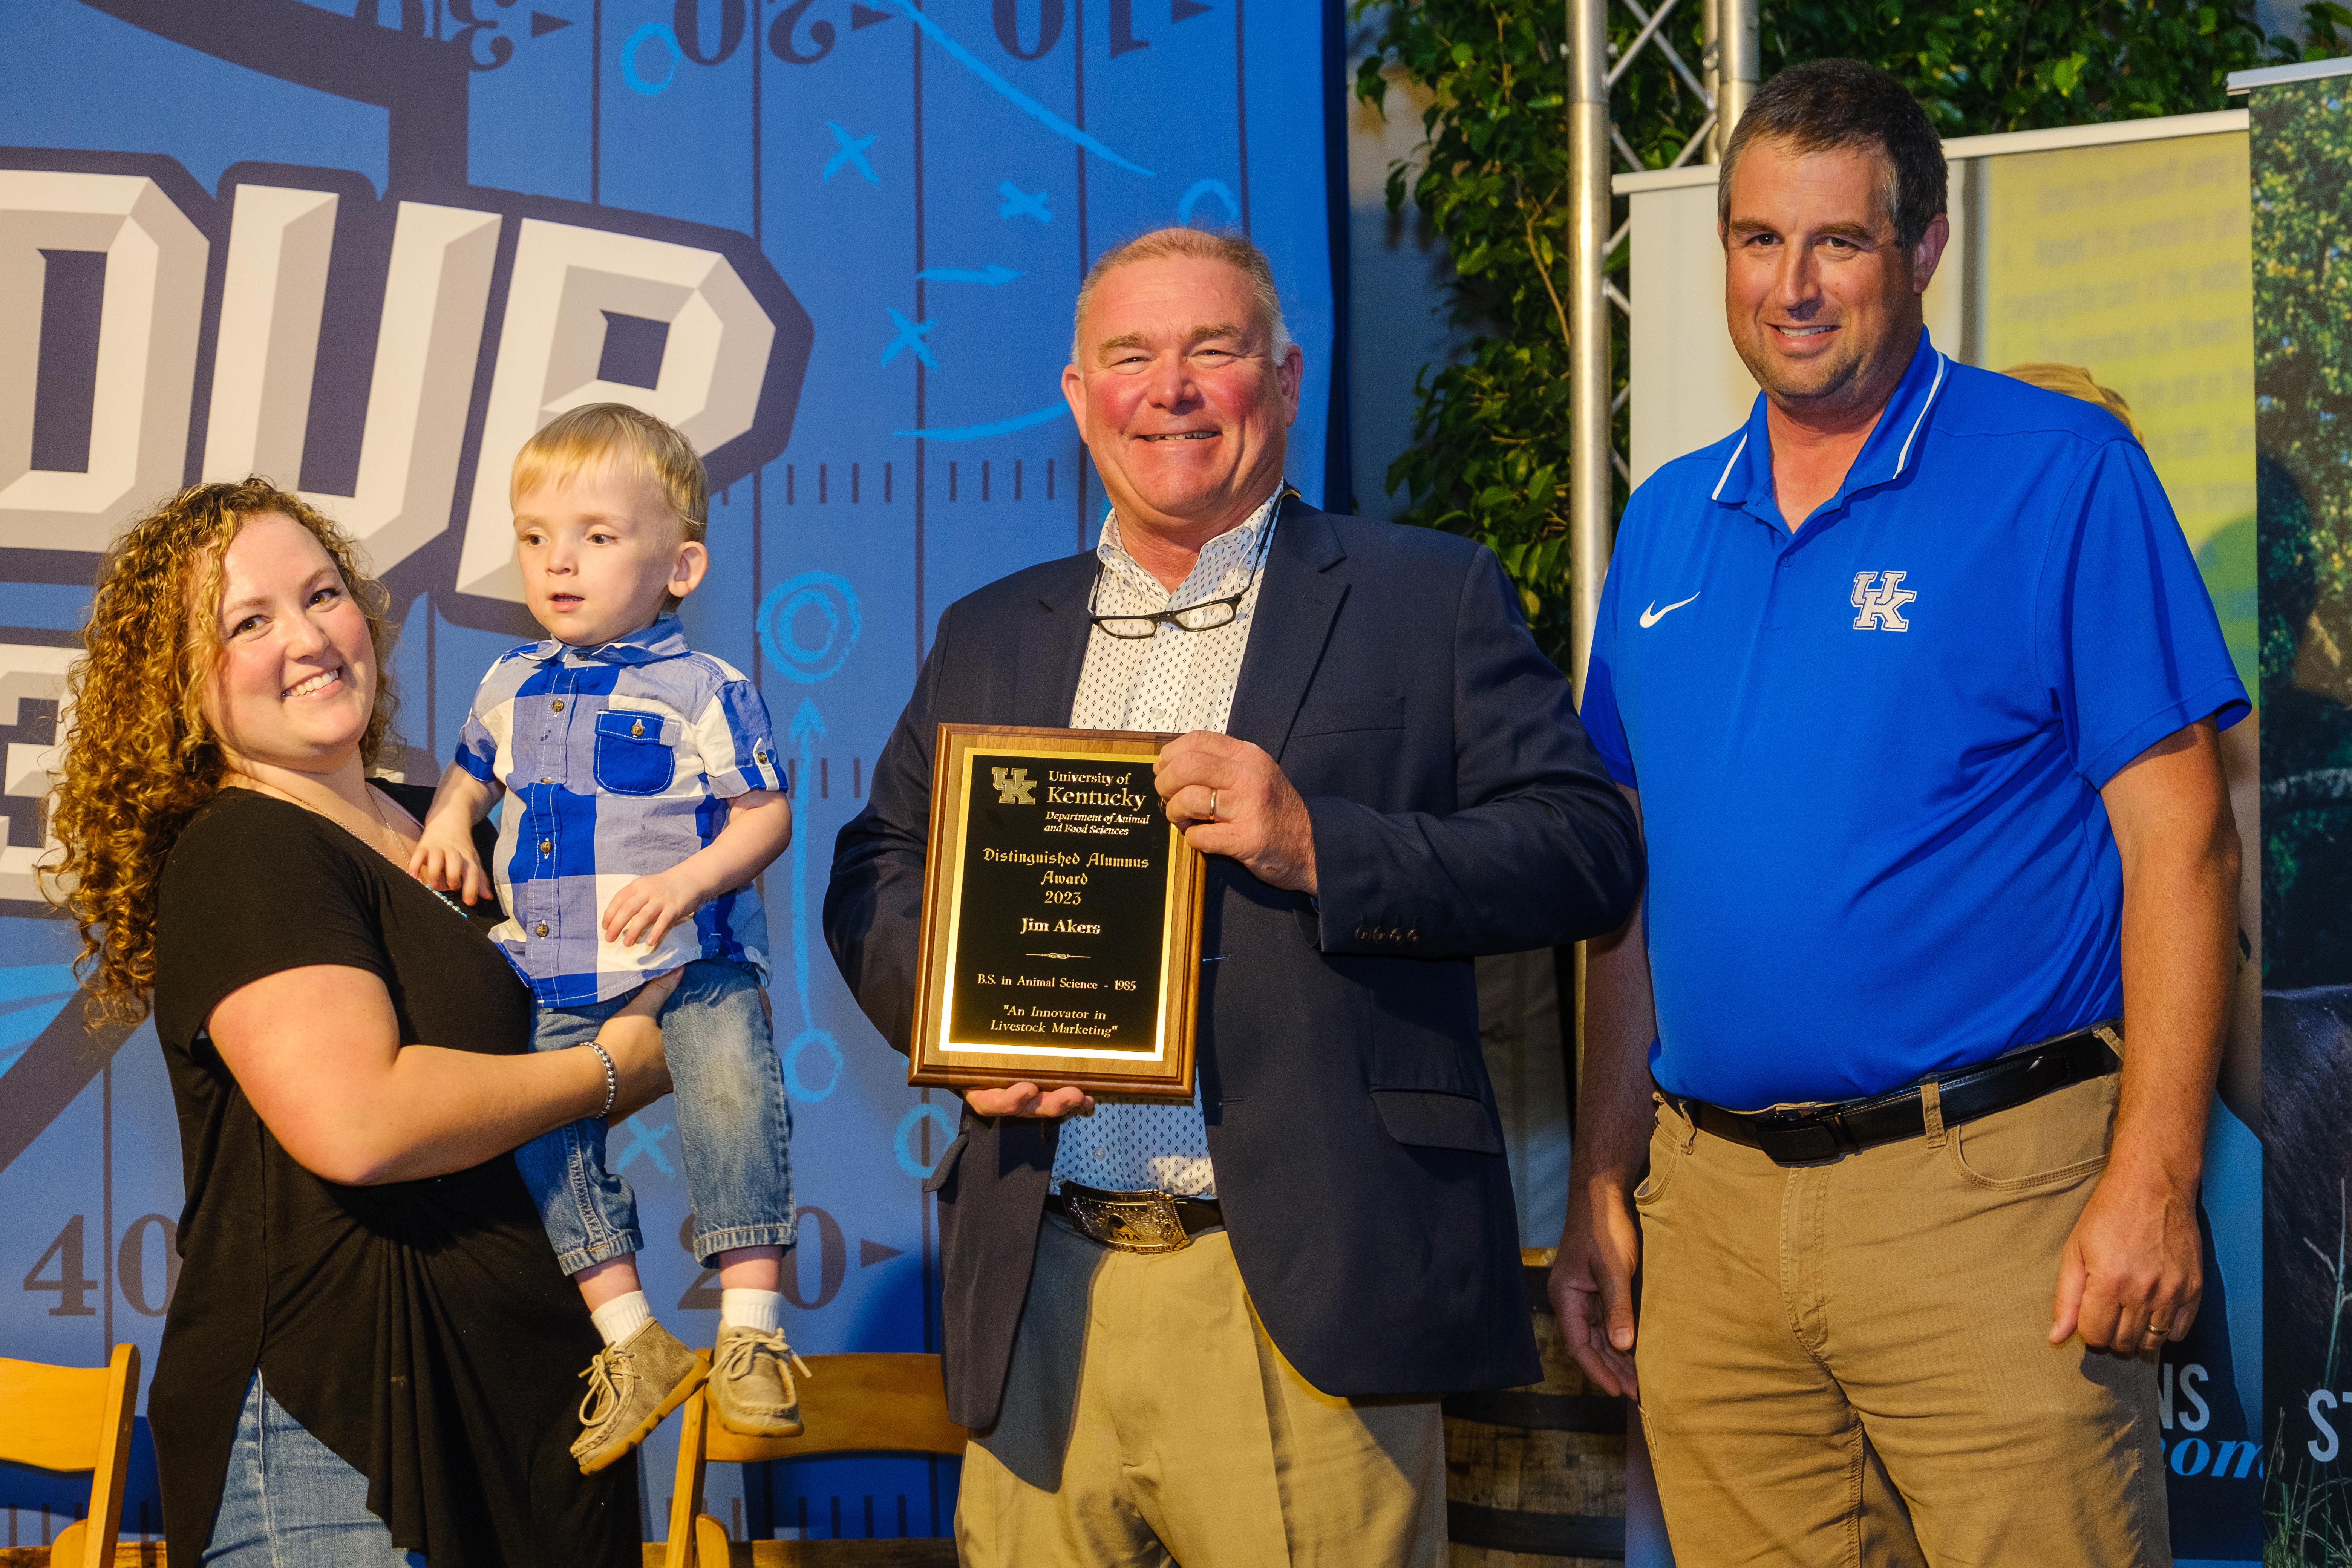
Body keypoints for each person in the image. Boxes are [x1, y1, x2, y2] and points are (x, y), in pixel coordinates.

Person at [824, 227, 1643, 1565]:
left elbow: (1583, 847)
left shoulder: (1423, 595)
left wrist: (1323, 843)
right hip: (1042, 1288)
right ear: (1078, 395)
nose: (1174, 389)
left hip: (1302, 1297)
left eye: (1214, 350)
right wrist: (963, 1020)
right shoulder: (991, 630)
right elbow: (876, 868)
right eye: (1130, 358)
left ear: (1285, 375)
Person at [1553, 59, 2246, 1566]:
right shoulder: (1667, 515)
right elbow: (1628, 883)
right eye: (1755, 240)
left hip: (1995, 1208)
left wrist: (2156, 1177)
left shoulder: (2061, 476)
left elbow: (2183, 841)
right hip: (1717, 1220)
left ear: (1921, 251)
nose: (1791, 286)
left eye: (1837, 242)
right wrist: (1605, 1171)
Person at [46, 478, 669, 1566]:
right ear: (180, 688)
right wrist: (612, 1071)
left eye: (322, 594)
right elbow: (360, 1120)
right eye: (249, 622)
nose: (309, 639)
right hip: (348, 1435)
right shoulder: (245, 850)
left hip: (524, 1410)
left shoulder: (444, 825)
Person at [409, 403, 804, 1470]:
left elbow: (766, 817)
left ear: (680, 564)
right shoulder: (508, 683)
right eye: (534, 537)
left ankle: (751, 1334)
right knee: (537, 1137)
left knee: (731, 1101)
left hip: (694, 965)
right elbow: (467, 779)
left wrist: (684, 882)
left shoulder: (707, 690)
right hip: (558, 973)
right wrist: (449, 822)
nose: (557, 562)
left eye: (595, 535)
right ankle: (632, 1341)